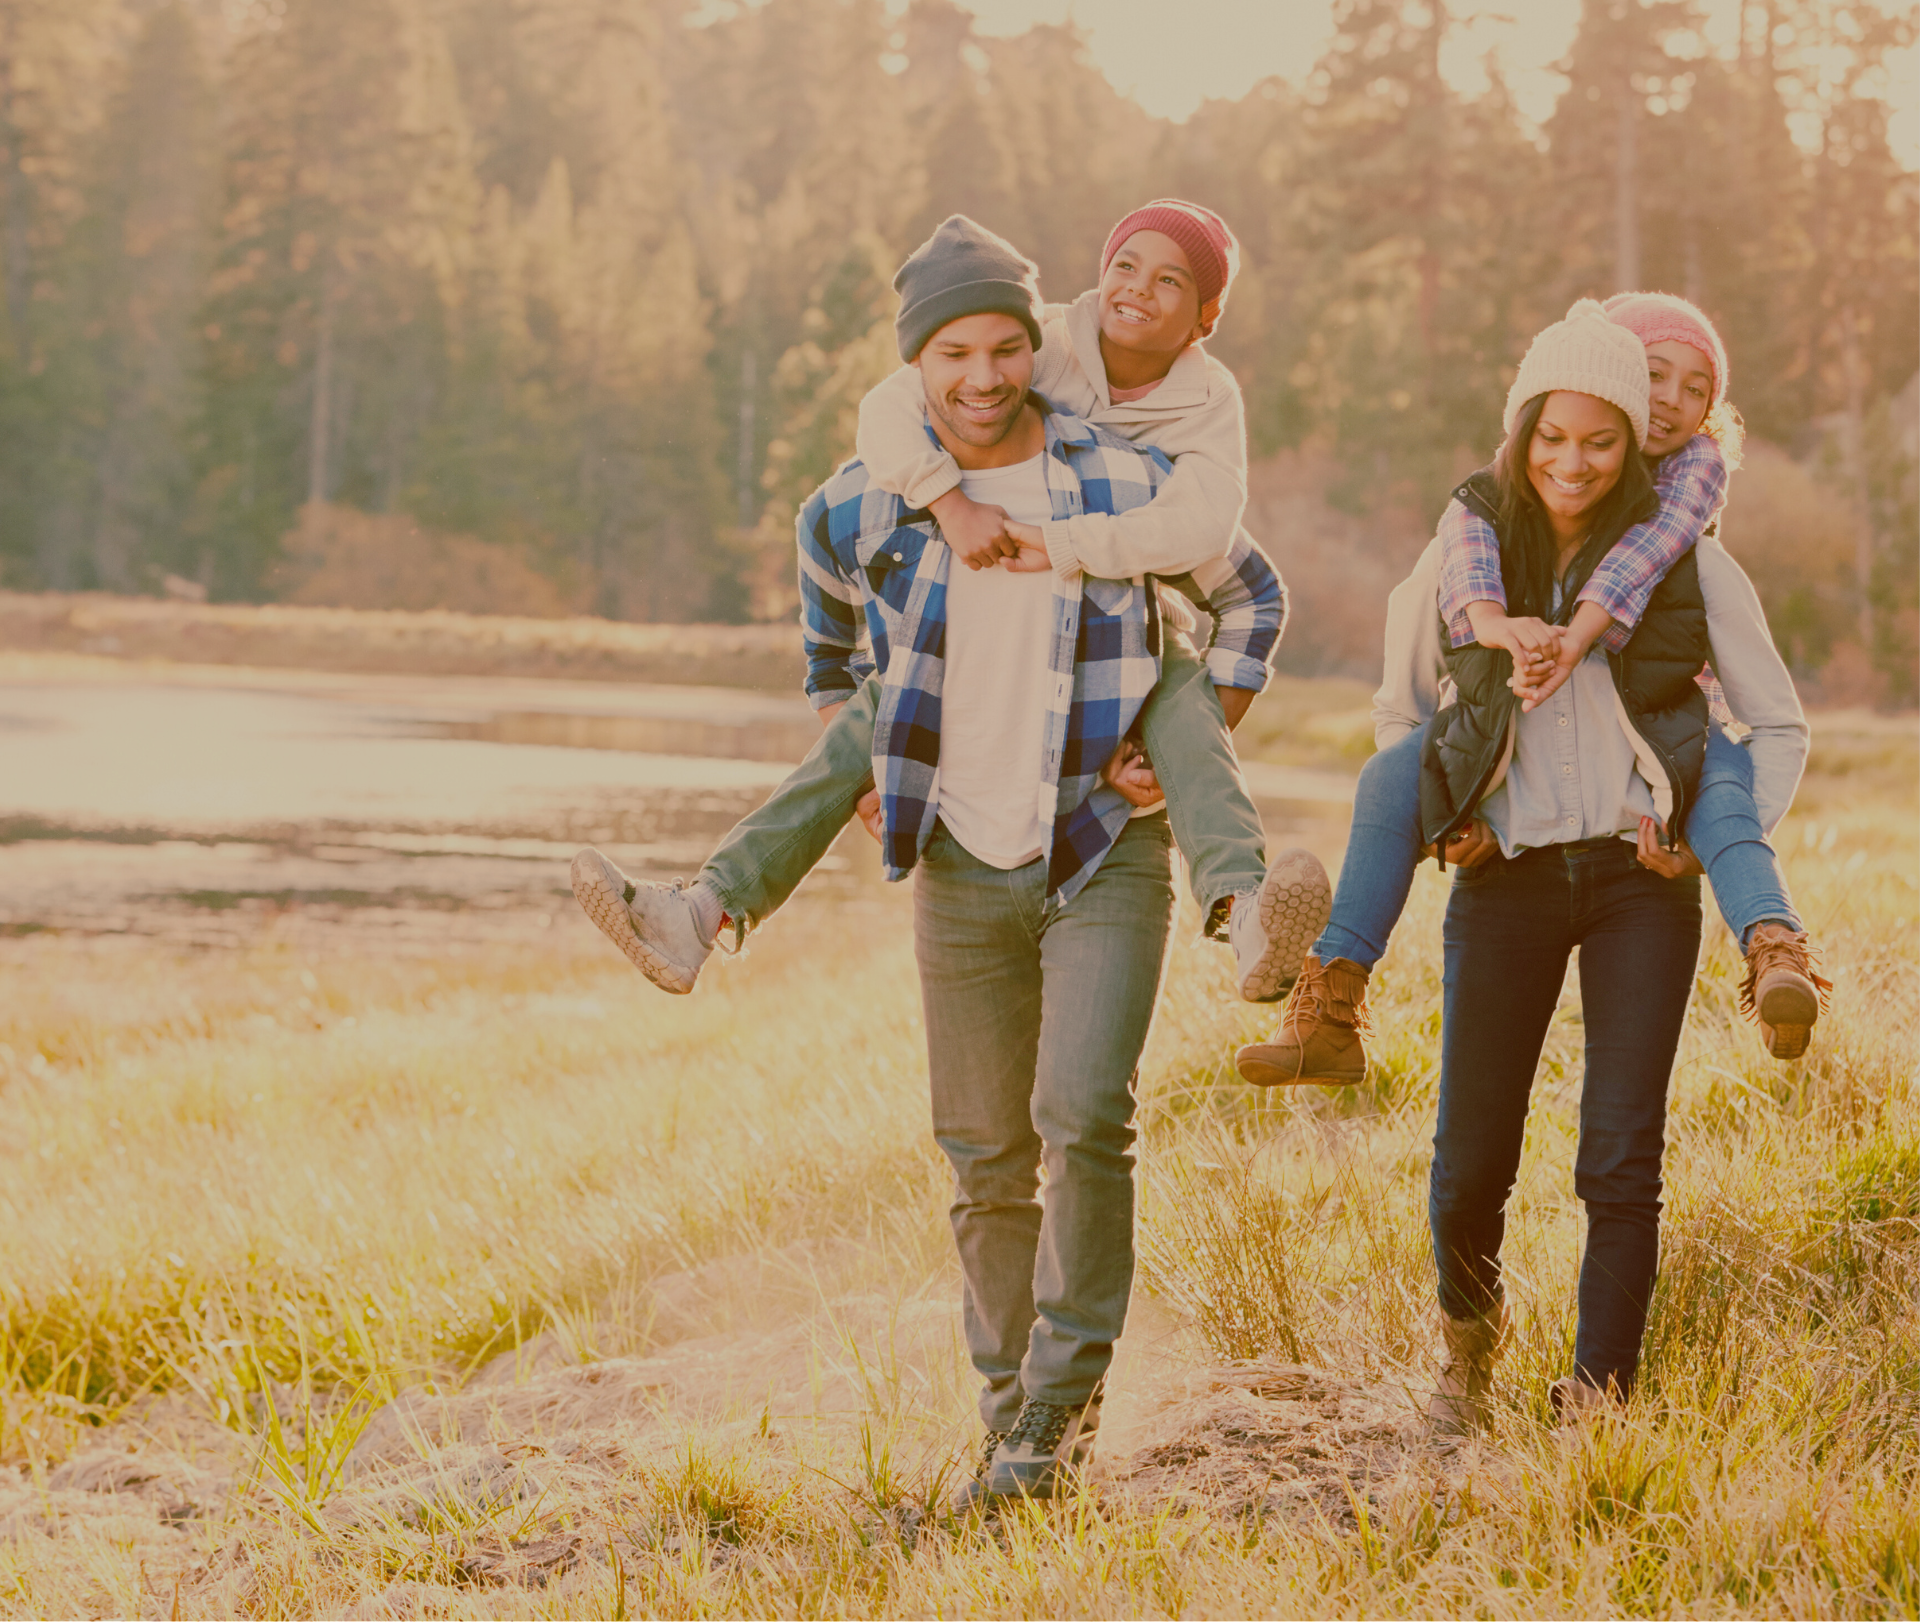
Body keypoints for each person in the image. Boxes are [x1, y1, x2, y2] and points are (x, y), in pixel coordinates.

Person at [707, 217, 1286, 1504]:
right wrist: (852, 745)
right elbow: (825, 618)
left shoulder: (1122, 478)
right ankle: (1013, 1418)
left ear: (1041, 350)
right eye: (952, 352)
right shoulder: (873, 491)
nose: (981, 375)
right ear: (915, 368)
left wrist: (1208, 711)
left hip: (1100, 843)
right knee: (982, 1156)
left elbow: (1252, 584)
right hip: (962, 858)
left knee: (1083, 1117)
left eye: (1005, 347)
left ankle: (1062, 1404)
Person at [571, 202, 1327, 1009]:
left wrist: (1173, 740)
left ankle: (1242, 910)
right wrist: (947, 503)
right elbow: (888, 410)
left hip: (1131, 628)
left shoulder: (1201, 412)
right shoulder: (1040, 339)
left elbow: (1218, 539)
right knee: (883, 704)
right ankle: (700, 912)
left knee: (1180, 692)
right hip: (973, 625)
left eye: (1170, 279)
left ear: (1205, 318)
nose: (986, 374)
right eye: (1126, 265)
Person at [1332, 304, 1808, 1431]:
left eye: (1603, 436)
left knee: (1620, 1154)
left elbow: (1773, 725)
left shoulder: (1689, 561)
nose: (1576, 461)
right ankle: (1467, 1358)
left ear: (1640, 429)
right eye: (1555, 438)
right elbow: (1402, 710)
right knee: (1470, 1152)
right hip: (1503, 880)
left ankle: (1602, 1395)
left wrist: (1693, 831)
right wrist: (1454, 818)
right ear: (1528, 429)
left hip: (1641, 888)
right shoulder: (1469, 552)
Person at [1237, 291, 1827, 1091]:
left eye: (1698, 390)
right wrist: (1451, 808)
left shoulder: (1685, 511)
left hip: (1663, 753)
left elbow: (1656, 570)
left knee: (1721, 782)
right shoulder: (1483, 514)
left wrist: (1576, 637)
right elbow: (1410, 680)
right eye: (1655, 376)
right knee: (1388, 775)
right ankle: (1331, 998)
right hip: (1507, 823)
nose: (1674, 403)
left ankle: (1774, 945)